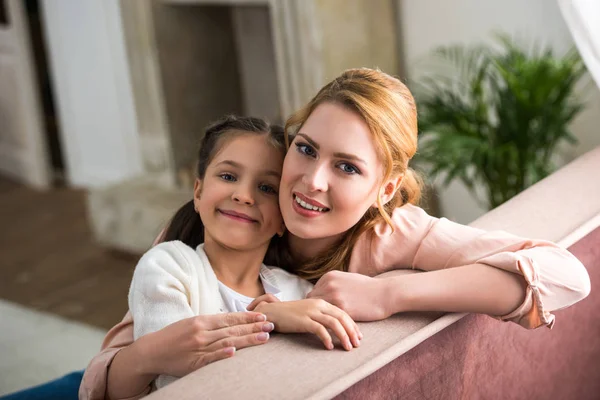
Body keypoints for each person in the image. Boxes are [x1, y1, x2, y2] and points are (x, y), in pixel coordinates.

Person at [8, 68, 587, 400]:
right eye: (306, 150)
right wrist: (145, 357)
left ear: (385, 190)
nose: (310, 182)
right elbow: (109, 372)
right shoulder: (219, 224)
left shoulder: (391, 234)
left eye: (348, 166)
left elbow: (566, 275)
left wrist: (389, 293)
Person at [130, 115, 362, 391]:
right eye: (228, 176)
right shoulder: (169, 266)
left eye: (266, 188)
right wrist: (269, 319)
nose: (243, 195)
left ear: (283, 217)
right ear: (199, 192)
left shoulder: (300, 293)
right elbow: (177, 379)